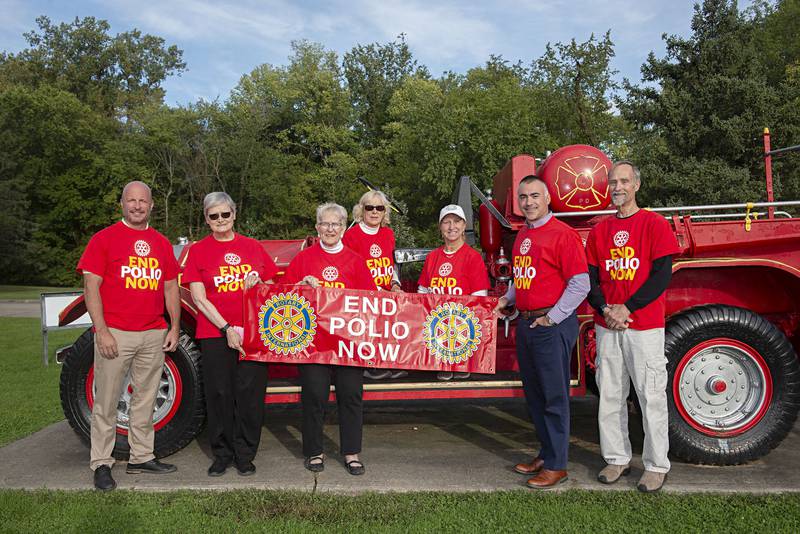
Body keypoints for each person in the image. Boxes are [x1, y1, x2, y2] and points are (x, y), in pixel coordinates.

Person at [77, 180, 180, 491]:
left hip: (152, 332)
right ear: (122, 204)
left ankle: (141, 457)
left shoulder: (161, 243)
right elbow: (90, 286)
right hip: (116, 333)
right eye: (131, 201)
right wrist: (102, 330)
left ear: (151, 206)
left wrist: (173, 326)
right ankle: (101, 464)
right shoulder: (104, 239)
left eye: (143, 201)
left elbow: (170, 287)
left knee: (145, 400)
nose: (137, 206)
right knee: (106, 402)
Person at [585, 161, 680, 493]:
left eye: (624, 181)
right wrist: (606, 309)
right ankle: (616, 459)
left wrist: (628, 307)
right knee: (609, 395)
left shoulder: (654, 224)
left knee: (650, 396)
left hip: (644, 326)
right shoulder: (599, 231)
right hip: (608, 325)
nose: (617, 187)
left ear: (637, 185)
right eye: (612, 182)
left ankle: (656, 465)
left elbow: (662, 275)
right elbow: (591, 280)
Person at [494, 176, 589, 489]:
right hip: (527, 323)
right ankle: (546, 453)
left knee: (553, 396)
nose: (529, 202)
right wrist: (507, 300)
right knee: (534, 396)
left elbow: (580, 283)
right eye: (523, 197)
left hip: (550, 326)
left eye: (535, 196)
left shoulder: (564, 234)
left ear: (548, 198)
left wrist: (553, 317)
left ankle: (558, 465)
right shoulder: (523, 233)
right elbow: (520, 279)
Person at [182, 192, 278, 477]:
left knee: (250, 395)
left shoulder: (253, 246)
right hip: (214, 333)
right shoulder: (198, 251)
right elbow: (198, 298)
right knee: (220, 394)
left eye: (225, 214)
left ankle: (245, 454)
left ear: (234, 215)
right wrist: (225, 328)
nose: (220, 220)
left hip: (253, 333)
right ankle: (221, 454)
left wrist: (259, 283)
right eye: (214, 216)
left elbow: (272, 287)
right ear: (206, 219)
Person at [280, 202, 377, 476]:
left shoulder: (356, 261)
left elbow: (371, 301)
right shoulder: (303, 259)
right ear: (317, 227)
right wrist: (301, 287)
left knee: (351, 396)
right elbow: (285, 296)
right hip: (313, 344)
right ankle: (314, 451)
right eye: (325, 223)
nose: (330, 229)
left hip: (348, 343)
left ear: (344, 228)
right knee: (314, 396)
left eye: (336, 224)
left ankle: (351, 452)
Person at [418, 204, 490, 380]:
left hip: (462, 331)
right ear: (440, 227)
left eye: (457, 222)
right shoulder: (433, 257)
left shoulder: (472, 257)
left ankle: (459, 361)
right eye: (446, 222)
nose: (452, 227)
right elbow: (422, 294)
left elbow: (479, 299)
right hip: (437, 332)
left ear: (464, 226)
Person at [343, 190, 405, 380]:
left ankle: (389, 361)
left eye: (379, 208)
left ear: (385, 211)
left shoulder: (388, 233)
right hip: (363, 296)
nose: (374, 211)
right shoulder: (351, 235)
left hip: (385, 293)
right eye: (369, 207)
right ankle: (369, 364)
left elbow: (390, 264)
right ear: (361, 210)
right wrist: (377, 290)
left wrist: (395, 284)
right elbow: (349, 271)